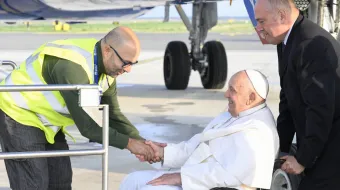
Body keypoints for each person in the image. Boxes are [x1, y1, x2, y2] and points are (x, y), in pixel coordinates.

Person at [0, 26, 159, 190]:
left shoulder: (107, 72)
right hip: (18, 113)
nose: (128, 69)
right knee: (34, 183)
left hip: (46, 121)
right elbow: (88, 128)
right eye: (125, 63)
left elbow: (113, 115)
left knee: (61, 182)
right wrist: (130, 144)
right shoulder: (72, 66)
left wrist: (143, 142)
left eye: (132, 64)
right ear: (107, 50)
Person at [119, 69, 280, 190]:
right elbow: (197, 147)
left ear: (251, 98)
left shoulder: (258, 131)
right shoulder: (232, 115)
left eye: (232, 90)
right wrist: (161, 153)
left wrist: (181, 177)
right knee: (132, 180)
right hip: (194, 179)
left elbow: (231, 177)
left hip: (208, 186)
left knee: (149, 189)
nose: (226, 94)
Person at [254, 0, 340, 189]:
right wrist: (279, 149)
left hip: (332, 148)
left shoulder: (310, 45)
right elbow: (288, 100)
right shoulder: (287, 41)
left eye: (261, 21)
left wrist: (302, 159)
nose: (258, 28)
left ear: (282, 16)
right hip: (319, 143)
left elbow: (320, 109)